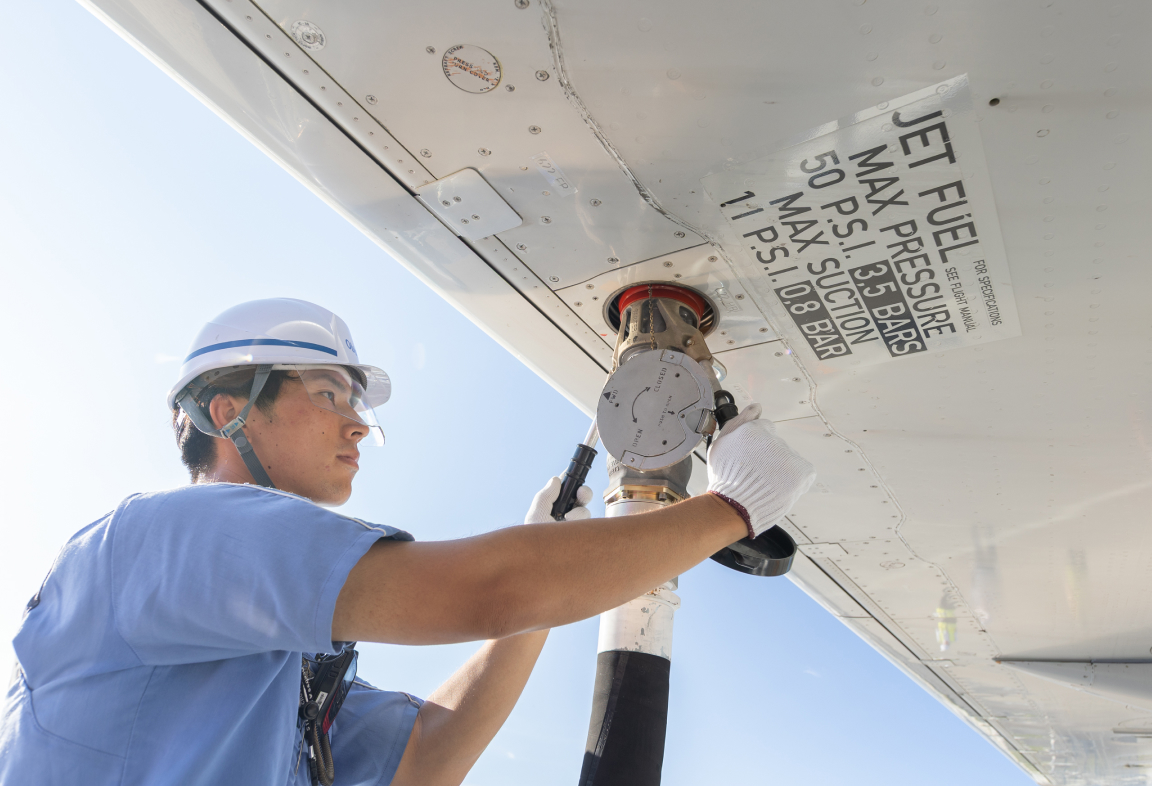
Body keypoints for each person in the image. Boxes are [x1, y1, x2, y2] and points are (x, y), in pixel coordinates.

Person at [0, 298, 816, 786]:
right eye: (327, 393)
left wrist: (535, 589)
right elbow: (476, 590)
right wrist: (731, 508)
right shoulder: (167, 535)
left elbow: (429, 755)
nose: (358, 422)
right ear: (228, 413)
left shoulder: (265, 680)